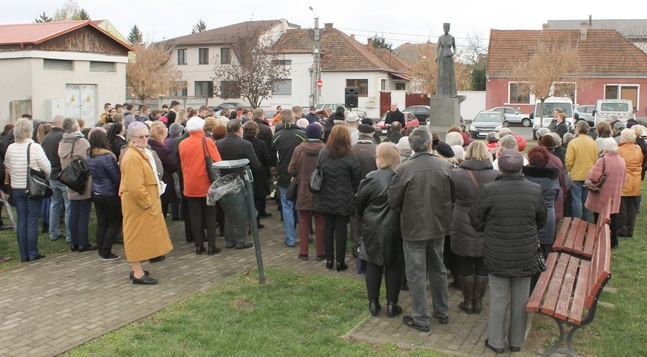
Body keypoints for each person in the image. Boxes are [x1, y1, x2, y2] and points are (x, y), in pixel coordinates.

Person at [469, 150, 547, 354]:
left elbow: (475, 219)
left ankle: (496, 342)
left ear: (500, 167)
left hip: (497, 254)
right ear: (521, 167)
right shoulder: (534, 190)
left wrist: (491, 227)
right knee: (521, 299)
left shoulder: (489, 190)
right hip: (525, 253)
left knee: (498, 299)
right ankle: (516, 341)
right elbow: (541, 220)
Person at [388, 128, 454, 331]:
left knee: (416, 273)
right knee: (438, 269)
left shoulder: (403, 169)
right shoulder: (445, 166)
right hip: (437, 224)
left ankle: (422, 317)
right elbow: (453, 196)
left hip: (414, 227)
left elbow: (393, 201)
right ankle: (441, 311)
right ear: (429, 145)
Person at [119, 122, 173, 284]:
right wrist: (147, 202)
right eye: (140, 137)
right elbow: (135, 186)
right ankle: (137, 273)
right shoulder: (132, 156)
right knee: (137, 237)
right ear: (131, 138)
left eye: (147, 136)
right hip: (138, 204)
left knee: (142, 237)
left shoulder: (140, 152)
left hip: (144, 202)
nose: (144, 139)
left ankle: (136, 268)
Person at [355, 142, 404, 317]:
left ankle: (373, 304)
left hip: (373, 227)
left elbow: (358, 202)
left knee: (373, 265)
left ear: (381, 158)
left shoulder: (372, 177)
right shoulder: (401, 177)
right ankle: (392, 304)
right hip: (395, 227)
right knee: (394, 265)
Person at [451, 141, 499, 315]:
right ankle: (478, 301)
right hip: (487, 222)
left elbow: (451, 197)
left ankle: (467, 301)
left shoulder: (457, 174)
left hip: (462, 220)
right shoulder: (496, 175)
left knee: (464, 260)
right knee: (482, 262)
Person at [315, 125, 361, 271]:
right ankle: (340, 262)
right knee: (341, 230)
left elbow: (318, 171)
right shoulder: (351, 155)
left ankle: (329, 259)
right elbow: (356, 178)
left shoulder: (323, 153)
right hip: (344, 197)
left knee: (327, 229)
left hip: (325, 196)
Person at [4, 118, 51, 262]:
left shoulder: (10, 148)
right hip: (32, 187)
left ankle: (24, 254)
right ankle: (33, 252)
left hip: (17, 187)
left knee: (22, 220)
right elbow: (47, 167)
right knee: (31, 220)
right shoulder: (34, 147)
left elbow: (8, 166)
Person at [179, 117, 223, 254]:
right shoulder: (207, 141)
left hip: (190, 184)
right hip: (206, 183)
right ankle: (211, 245)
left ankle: (199, 245)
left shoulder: (182, 143)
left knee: (195, 216)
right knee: (210, 215)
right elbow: (217, 160)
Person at [216, 119, 260, 249]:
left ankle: (229, 240)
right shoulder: (245, 144)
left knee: (229, 210)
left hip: (224, 181)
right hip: (241, 181)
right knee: (243, 210)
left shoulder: (218, 143)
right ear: (239, 129)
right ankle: (241, 240)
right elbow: (256, 165)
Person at [288, 123, 326, 261]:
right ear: (319, 134)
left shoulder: (299, 149)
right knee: (320, 221)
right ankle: (320, 253)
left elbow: (291, 169)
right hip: (320, 189)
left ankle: (303, 253)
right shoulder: (325, 149)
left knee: (304, 220)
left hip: (303, 188)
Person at [59, 118, 96, 252]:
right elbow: (88, 159)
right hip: (82, 180)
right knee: (83, 212)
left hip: (69, 179)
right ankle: (83, 242)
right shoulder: (81, 141)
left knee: (74, 211)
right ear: (76, 128)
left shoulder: (63, 141)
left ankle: (74, 241)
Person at [271, 109, 306, 247]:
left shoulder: (277, 136)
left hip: (284, 176)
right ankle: (304, 236)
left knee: (287, 207)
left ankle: (290, 238)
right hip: (301, 176)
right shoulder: (302, 135)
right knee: (300, 206)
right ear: (294, 119)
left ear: (281, 120)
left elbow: (273, 154)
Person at [86, 130, 121, 261]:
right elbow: (115, 177)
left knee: (102, 222)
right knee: (114, 222)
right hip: (109, 193)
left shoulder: (90, 155)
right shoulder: (107, 157)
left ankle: (101, 248)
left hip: (96, 191)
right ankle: (106, 250)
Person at [584, 138, 625, 248]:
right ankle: (614, 242)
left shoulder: (603, 160)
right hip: (615, 193)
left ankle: (599, 241)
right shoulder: (621, 160)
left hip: (601, 194)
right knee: (614, 218)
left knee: (599, 218)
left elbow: (593, 176)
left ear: (605, 149)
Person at [523, 146, 560, 257]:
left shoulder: (523, 177)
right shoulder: (553, 178)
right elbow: (556, 196)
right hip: (548, 216)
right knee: (545, 251)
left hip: (528, 217)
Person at [349, 123, 378, 260]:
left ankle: (356, 248)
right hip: (373, 191)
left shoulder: (351, 149)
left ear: (359, 134)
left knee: (355, 220)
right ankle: (371, 247)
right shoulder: (377, 149)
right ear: (372, 135)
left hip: (354, 190)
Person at [41, 115, 70, 242]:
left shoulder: (46, 138)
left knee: (55, 204)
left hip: (52, 174)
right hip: (63, 175)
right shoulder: (63, 137)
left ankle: (53, 232)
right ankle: (70, 235)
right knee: (68, 205)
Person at [565, 121, 598, 222]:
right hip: (589, 174)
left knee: (576, 199)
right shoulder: (593, 142)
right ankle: (586, 220)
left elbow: (569, 160)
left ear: (578, 129)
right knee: (587, 199)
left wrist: (570, 169)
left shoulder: (573, 142)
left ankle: (576, 220)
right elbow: (595, 158)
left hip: (576, 174)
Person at [242, 121, 271, 228]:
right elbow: (266, 159)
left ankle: (248, 221)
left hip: (245, 173)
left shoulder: (242, 142)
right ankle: (256, 221)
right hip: (258, 174)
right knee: (257, 199)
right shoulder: (260, 144)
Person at [617, 129, 643, 239]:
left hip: (624, 179)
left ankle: (623, 228)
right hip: (636, 179)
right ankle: (630, 228)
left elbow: (619, 164)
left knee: (622, 206)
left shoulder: (620, 149)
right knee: (632, 206)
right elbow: (641, 160)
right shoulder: (638, 148)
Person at [148, 124, 178, 220]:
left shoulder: (147, 147)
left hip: (150, 181)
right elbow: (172, 167)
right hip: (163, 181)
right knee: (162, 210)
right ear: (161, 136)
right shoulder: (163, 150)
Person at [435, 23, 457, 98]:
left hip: (449, 57)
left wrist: (454, 53)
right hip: (442, 57)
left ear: (449, 28)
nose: (445, 29)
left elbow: (455, 48)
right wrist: (437, 56)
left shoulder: (452, 38)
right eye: (444, 27)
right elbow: (437, 48)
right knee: (441, 75)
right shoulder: (440, 38)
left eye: (447, 27)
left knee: (450, 75)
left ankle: (452, 93)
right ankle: (440, 93)